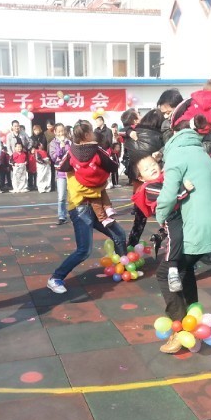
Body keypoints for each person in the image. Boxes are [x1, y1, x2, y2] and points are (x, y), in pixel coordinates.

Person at [154, 99, 211, 353]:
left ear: (174, 129)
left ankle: (180, 329)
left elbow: (167, 195)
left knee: (166, 272)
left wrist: (159, 215)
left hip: (197, 225)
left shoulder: (178, 152)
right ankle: (192, 320)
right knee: (184, 270)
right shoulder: (199, 150)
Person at [47, 120, 127, 295]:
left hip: (95, 205)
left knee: (119, 235)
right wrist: (101, 186)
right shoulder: (73, 156)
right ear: (86, 135)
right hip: (80, 208)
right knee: (84, 250)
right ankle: (56, 278)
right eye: (91, 131)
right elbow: (80, 188)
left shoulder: (94, 154)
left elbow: (111, 166)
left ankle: (123, 267)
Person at [132, 153, 194, 292]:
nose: (152, 169)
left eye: (153, 164)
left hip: (180, 210)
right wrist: (185, 189)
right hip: (170, 215)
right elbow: (168, 198)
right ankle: (172, 271)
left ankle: (162, 236)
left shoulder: (164, 175)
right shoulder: (149, 187)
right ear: (141, 178)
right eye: (146, 169)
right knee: (176, 237)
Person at [60, 120, 118, 228]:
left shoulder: (71, 152)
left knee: (94, 199)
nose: (94, 133)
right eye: (92, 131)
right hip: (98, 181)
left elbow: (61, 166)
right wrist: (109, 169)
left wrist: (74, 168)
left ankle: (103, 218)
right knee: (101, 191)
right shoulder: (96, 150)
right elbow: (111, 164)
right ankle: (108, 208)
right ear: (87, 135)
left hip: (82, 187)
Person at [124, 109, 166, 246]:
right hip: (158, 181)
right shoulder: (160, 137)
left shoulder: (134, 133)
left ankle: (131, 244)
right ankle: (162, 234)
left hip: (140, 181)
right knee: (168, 214)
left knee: (139, 218)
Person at [49, 123, 71, 224]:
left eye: (62, 131)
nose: (61, 133)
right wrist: (61, 148)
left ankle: (76, 214)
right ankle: (62, 216)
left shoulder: (69, 142)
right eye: (58, 131)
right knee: (61, 196)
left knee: (73, 195)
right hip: (61, 173)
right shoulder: (53, 143)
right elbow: (54, 157)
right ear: (55, 132)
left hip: (70, 172)